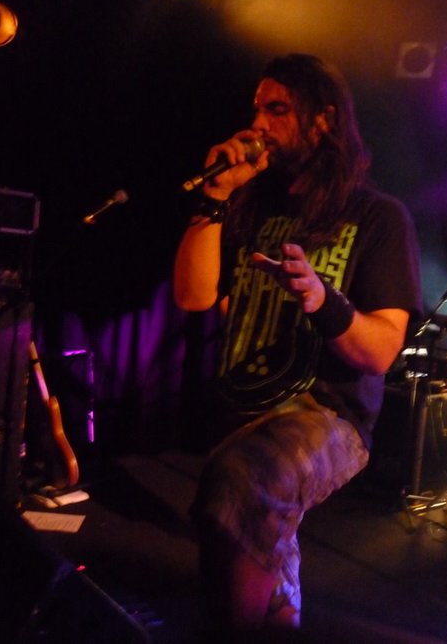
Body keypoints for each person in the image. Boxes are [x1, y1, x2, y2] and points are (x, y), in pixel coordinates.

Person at [173, 53, 422, 632]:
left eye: (277, 109)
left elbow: (382, 350)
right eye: (257, 108)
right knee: (243, 531)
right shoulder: (249, 204)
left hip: (327, 415)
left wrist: (323, 300)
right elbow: (192, 297)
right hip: (245, 410)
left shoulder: (379, 217)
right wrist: (214, 197)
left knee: (240, 484)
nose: (257, 124)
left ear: (323, 121)